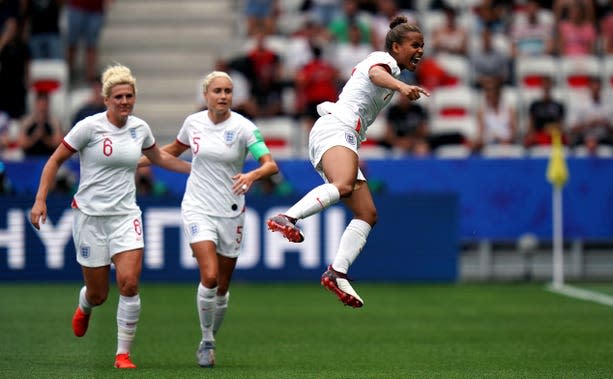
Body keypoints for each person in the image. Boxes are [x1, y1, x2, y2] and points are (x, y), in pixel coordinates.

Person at [29, 64, 191, 369]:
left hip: (125, 215)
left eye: (129, 96)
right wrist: (40, 200)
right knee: (99, 293)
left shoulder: (139, 128)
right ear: (106, 99)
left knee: (129, 283)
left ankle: (122, 354)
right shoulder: (88, 127)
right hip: (90, 217)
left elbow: (159, 158)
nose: (125, 101)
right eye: (118, 96)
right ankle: (85, 304)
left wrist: (198, 170)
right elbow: (54, 161)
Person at [266, 16, 427, 308]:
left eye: (422, 46)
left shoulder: (390, 66)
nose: (420, 51)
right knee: (342, 185)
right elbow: (377, 74)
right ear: (396, 46)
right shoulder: (384, 61)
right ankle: (287, 218)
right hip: (337, 128)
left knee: (367, 213)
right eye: (415, 45)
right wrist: (402, 88)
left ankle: (336, 271)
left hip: (339, 132)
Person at [139, 71, 279, 367]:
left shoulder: (244, 128)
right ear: (206, 95)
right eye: (217, 90)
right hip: (197, 206)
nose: (224, 96)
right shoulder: (194, 123)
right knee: (210, 276)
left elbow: (270, 164)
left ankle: (210, 337)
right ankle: (206, 340)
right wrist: (133, 161)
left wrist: (252, 174)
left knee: (223, 287)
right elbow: (173, 151)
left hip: (230, 210)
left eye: (228, 91)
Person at [18, 91, 64, 158]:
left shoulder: (54, 122)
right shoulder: (27, 122)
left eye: (45, 104)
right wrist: (35, 136)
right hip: (30, 159)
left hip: (48, 159)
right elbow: (21, 143)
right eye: (40, 104)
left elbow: (59, 144)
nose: (42, 107)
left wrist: (45, 137)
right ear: (36, 104)